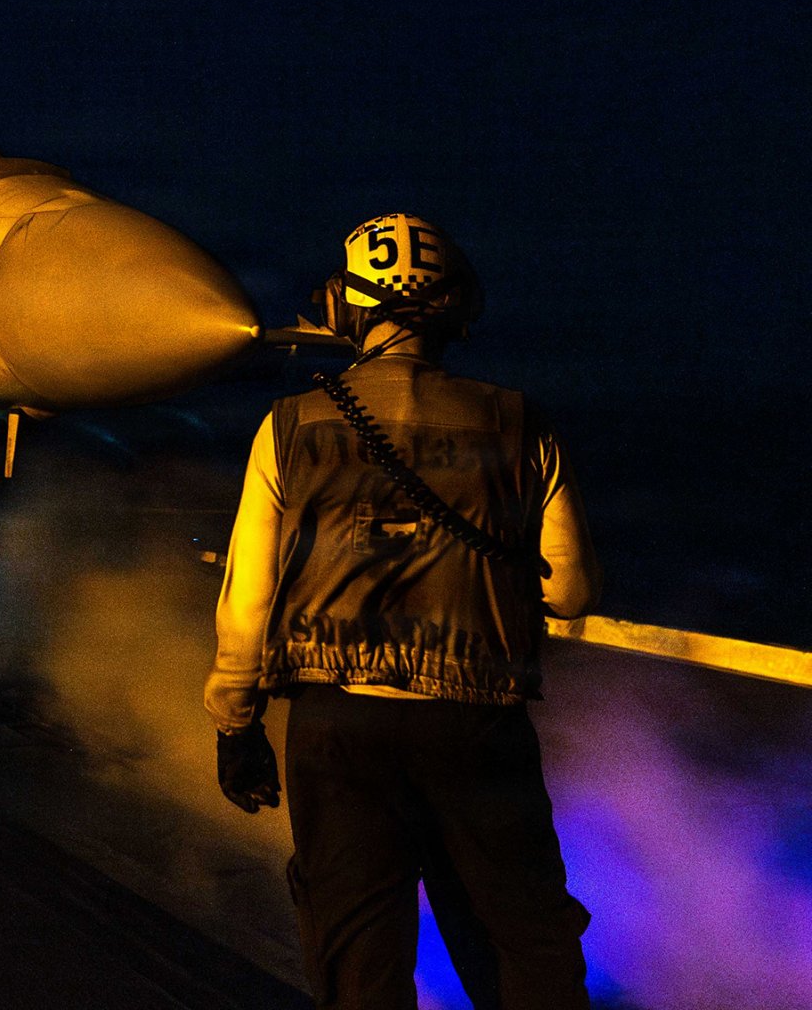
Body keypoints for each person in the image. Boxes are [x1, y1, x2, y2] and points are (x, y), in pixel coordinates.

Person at [204, 214, 601, 1009]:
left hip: (336, 730)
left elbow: (248, 599)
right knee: (524, 943)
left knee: (359, 960)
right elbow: (571, 592)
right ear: (454, 310)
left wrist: (235, 724)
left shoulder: (289, 426)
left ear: (351, 311)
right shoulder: (521, 424)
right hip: (477, 728)